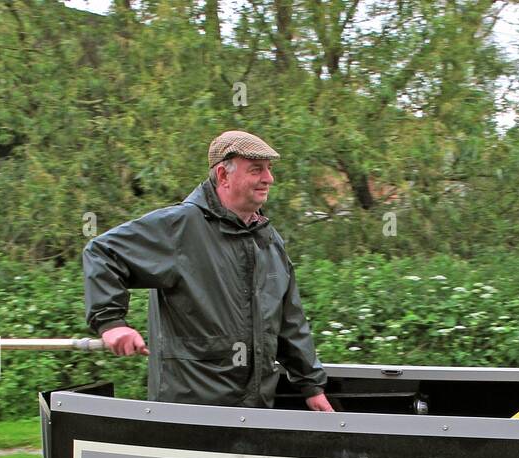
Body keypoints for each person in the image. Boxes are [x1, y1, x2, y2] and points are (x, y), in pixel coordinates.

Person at [82, 130, 333, 411]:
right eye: (256, 170)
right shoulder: (181, 228)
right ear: (223, 176)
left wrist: (311, 386)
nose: (268, 178)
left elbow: (290, 321)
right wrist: (112, 324)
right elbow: (103, 253)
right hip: (192, 414)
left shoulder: (269, 239)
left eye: (269, 169)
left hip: (257, 412)